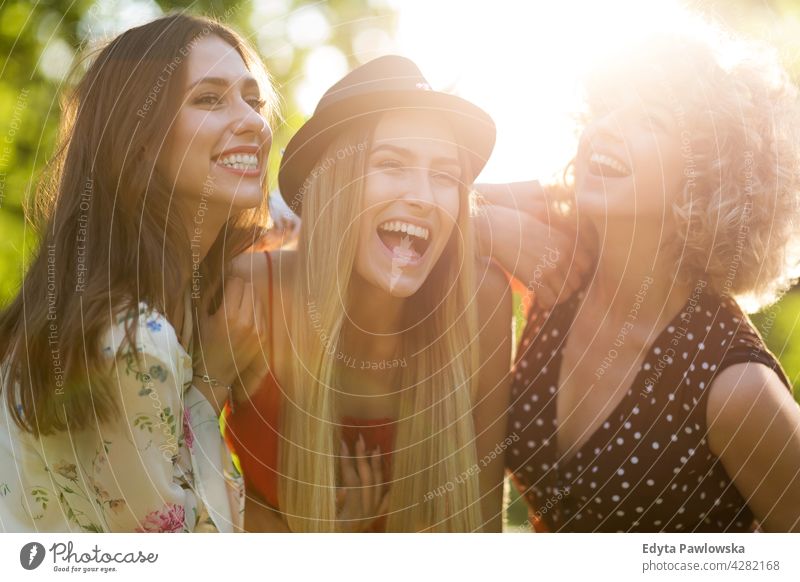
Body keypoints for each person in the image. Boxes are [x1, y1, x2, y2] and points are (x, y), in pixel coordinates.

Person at [482, 19, 800, 531]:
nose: (607, 127)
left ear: (711, 178)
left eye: (651, 119)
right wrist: (482, 222)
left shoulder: (735, 388)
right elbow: (411, 195)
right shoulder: (563, 263)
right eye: (607, 107)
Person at [0, 13, 275, 532]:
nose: (253, 123)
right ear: (139, 141)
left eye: (253, 100)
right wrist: (211, 385)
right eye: (209, 99)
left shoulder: (129, 301)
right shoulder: (132, 341)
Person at [223, 56, 513, 532]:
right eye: (391, 164)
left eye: (444, 174)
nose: (421, 195)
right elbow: (182, 501)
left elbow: (479, 526)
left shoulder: (481, 305)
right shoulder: (250, 293)